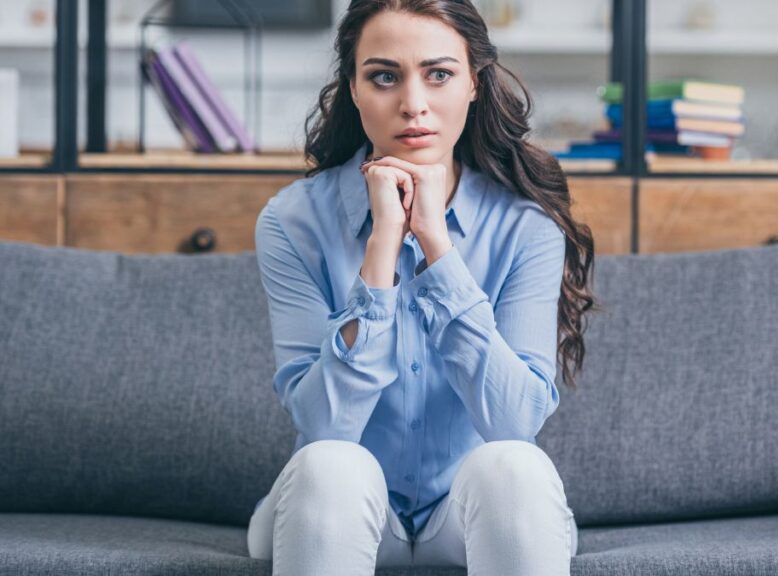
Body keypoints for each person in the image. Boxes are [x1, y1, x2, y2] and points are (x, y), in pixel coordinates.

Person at [246, 0, 597, 574]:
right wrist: (382, 244)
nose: (414, 105)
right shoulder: (292, 222)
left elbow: (515, 422)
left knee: (514, 465)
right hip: (339, 509)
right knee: (331, 463)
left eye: (439, 74)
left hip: (468, 516)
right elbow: (324, 426)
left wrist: (437, 245)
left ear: (474, 84)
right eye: (385, 77)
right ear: (353, 89)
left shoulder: (526, 226)